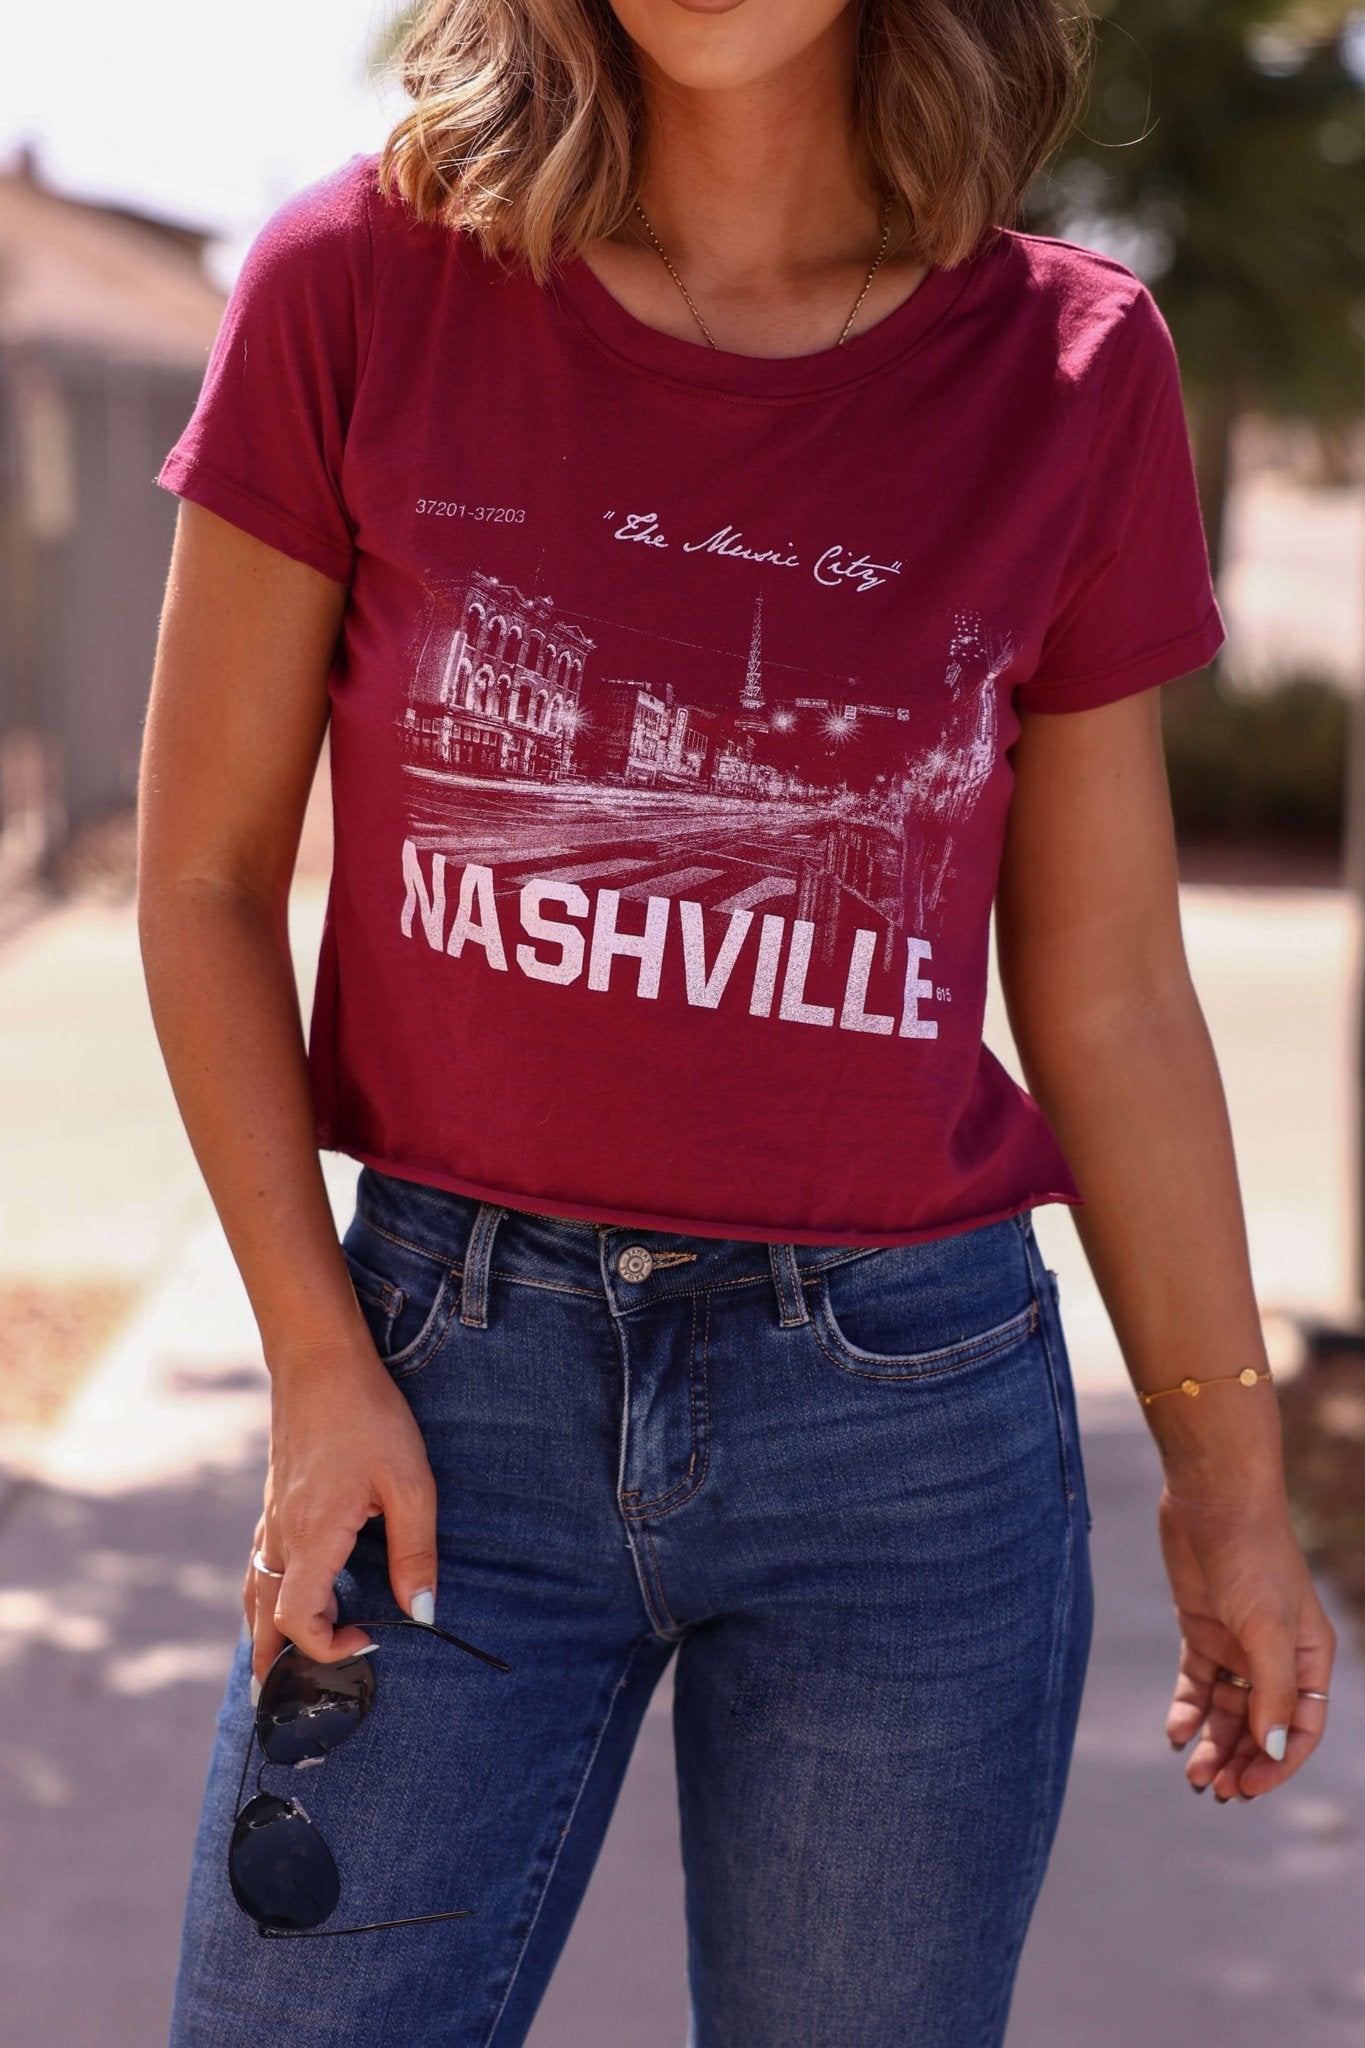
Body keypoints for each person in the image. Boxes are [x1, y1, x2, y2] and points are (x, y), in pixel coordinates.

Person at [138, 2, 1335, 2043]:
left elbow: (1111, 986)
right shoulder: (353, 283)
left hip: (905, 1430)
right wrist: (312, 1355)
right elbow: (204, 883)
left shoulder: (1063, 365)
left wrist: (1229, 1487)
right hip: (443, 1391)